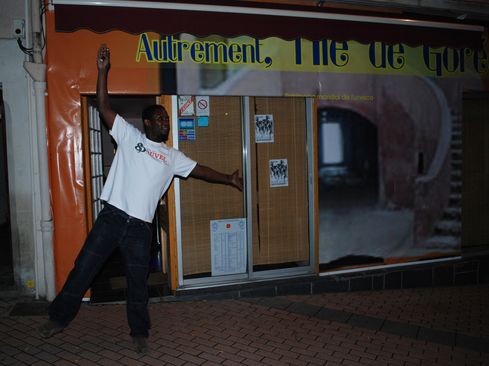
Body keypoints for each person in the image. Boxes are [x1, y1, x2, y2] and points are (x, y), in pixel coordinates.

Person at [38, 44, 243, 354]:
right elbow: (104, 104)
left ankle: (139, 332)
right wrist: (103, 72)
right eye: (160, 119)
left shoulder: (173, 157)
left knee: (138, 281)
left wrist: (228, 178)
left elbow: (200, 170)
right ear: (147, 123)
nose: (166, 123)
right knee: (83, 270)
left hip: (140, 228)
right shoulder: (129, 136)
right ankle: (58, 319)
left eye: (167, 121)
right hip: (112, 217)